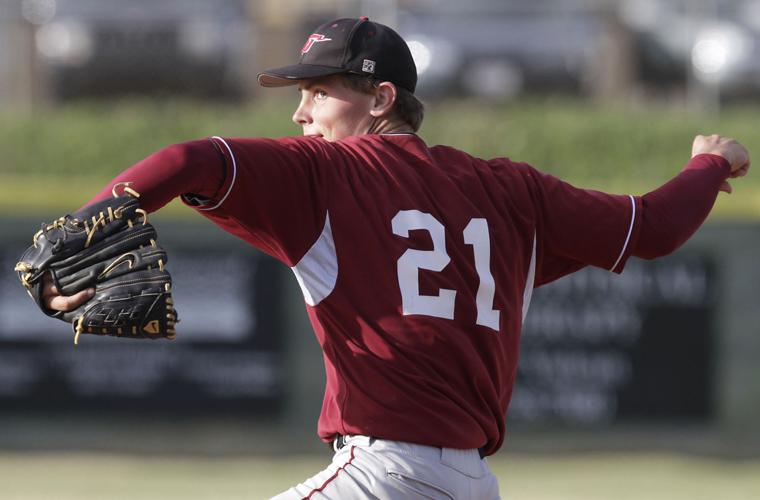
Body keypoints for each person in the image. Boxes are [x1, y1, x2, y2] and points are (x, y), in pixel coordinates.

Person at [41, 17, 749, 499]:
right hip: (471, 484)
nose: (300, 113)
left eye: (318, 92)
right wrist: (709, 165)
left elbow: (189, 158)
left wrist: (84, 232)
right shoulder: (514, 193)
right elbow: (653, 228)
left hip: (386, 473)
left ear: (383, 98)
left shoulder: (326, 174)